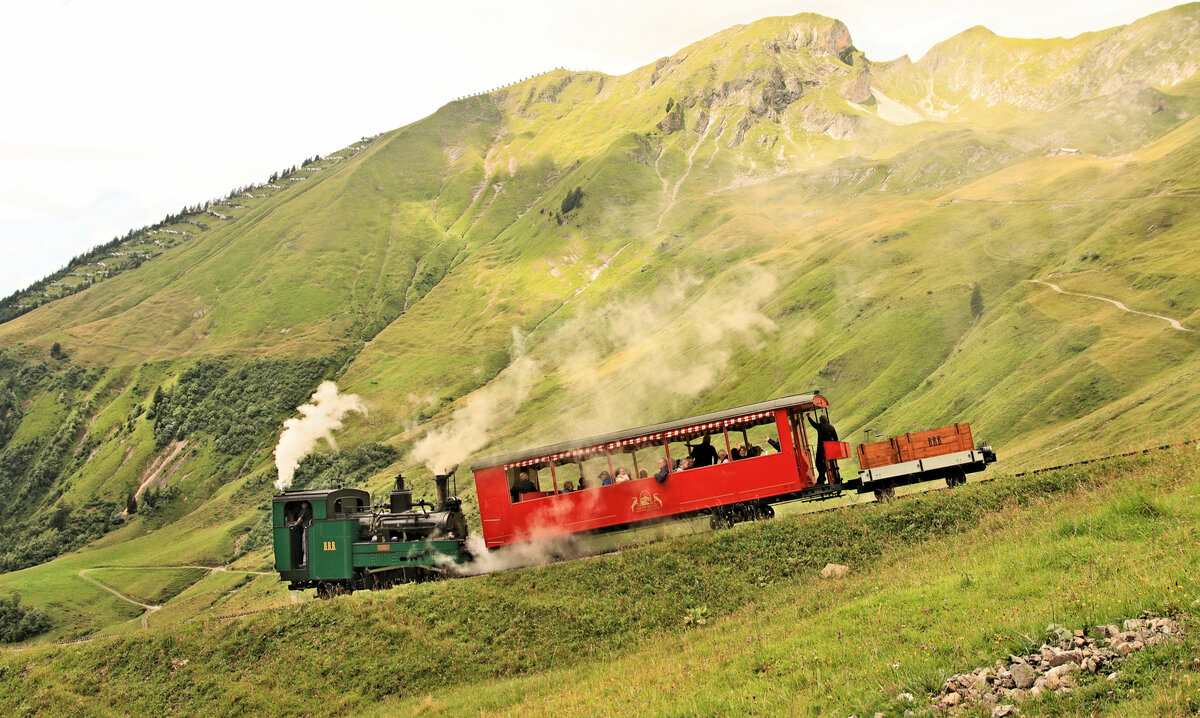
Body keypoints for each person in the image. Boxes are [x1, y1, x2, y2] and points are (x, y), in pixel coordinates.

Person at [808, 414, 839, 485]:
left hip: (821, 448)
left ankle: (821, 477)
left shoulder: (820, 426)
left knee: (818, 463)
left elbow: (813, 424)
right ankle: (833, 477)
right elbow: (836, 438)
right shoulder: (831, 427)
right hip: (830, 449)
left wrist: (808, 417)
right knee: (830, 463)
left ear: (821, 421)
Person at [288, 501, 313, 567]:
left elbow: (300, 519)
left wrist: (295, 524)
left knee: (305, 546)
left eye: (303, 503)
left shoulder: (305, 510)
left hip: (306, 529)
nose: (301, 505)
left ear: (305, 504)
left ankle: (305, 562)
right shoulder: (307, 511)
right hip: (307, 529)